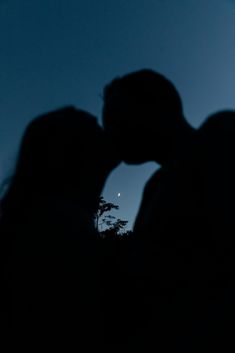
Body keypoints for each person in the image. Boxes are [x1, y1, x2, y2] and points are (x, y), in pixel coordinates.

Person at [102, 69, 235, 351]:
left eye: (115, 118)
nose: (110, 131)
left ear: (156, 105)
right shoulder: (155, 186)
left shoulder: (220, 134)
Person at [1, 106, 120, 350]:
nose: (109, 130)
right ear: (67, 151)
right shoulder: (59, 228)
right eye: (95, 126)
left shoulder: (47, 220)